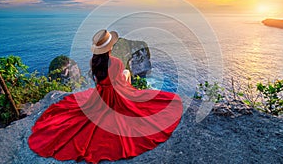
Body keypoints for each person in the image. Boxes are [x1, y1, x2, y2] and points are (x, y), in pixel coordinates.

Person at [28, 29, 183, 163]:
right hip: (116, 97)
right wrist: (126, 74)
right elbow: (119, 82)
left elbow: (99, 81)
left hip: (100, 97)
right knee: (132, 81)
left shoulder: (93, 62)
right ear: (110, 47)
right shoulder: (115, 62)